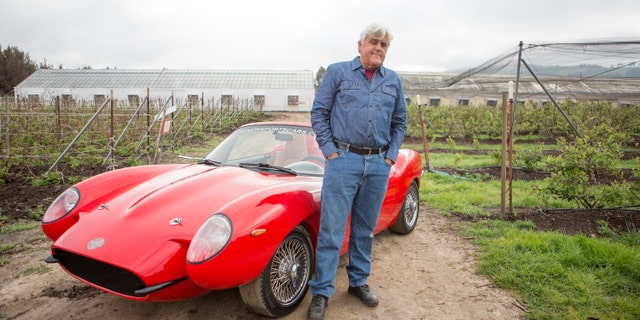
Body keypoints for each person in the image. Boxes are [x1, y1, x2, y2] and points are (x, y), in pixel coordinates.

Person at [307, 23, 407, 320]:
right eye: (374, 42)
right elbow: (319, 113)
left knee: (365, 230)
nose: (378, 48)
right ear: (360, 44)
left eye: (384, 45)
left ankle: (358, 282)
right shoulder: (337, 73)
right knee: (331, 230)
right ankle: (321, 292)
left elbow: (399, 122)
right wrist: (331, 153)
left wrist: (389, 158)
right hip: (344, 161)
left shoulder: (393, 81)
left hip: (377, 165)